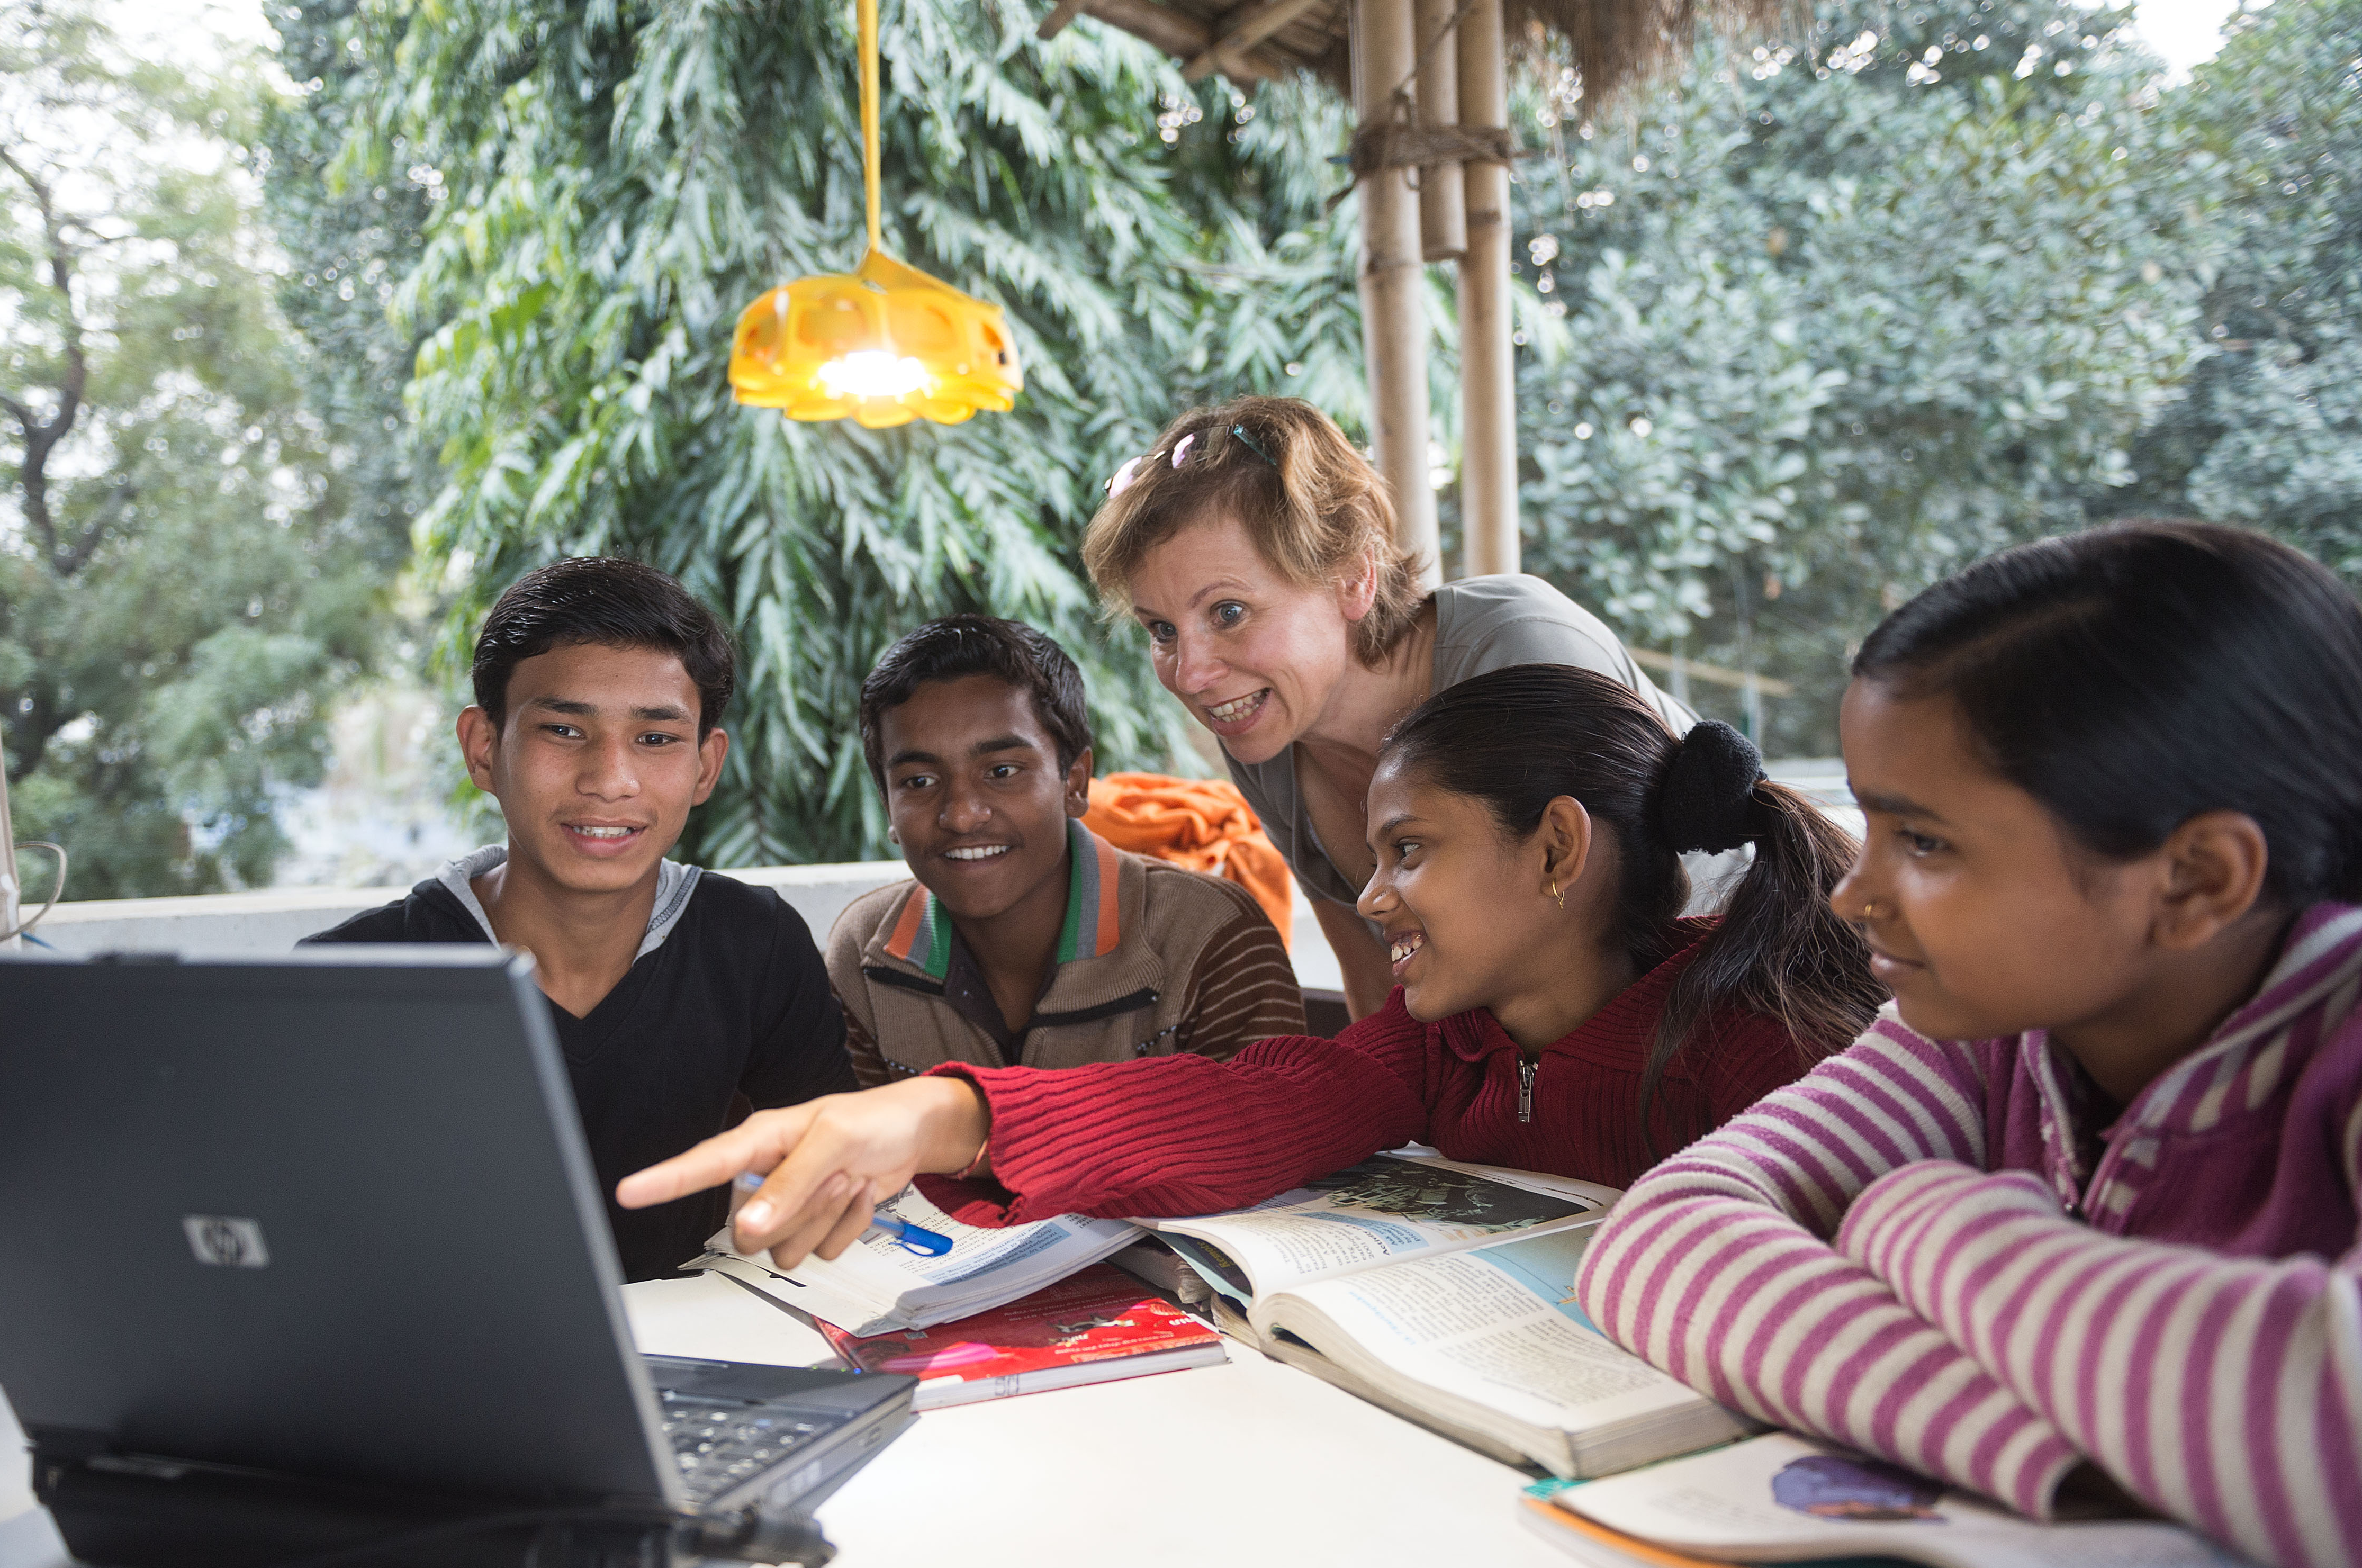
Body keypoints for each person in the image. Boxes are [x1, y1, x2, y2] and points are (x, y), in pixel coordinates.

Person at [1574, 522, 2362, 1568]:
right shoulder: (1986, 1031)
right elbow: (1662, 1236)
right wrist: (2081, 1456)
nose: (1857, 891)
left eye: (1928, 842)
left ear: (2195, 878)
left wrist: (1921, 1219)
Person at [616, 663, 1879, 1265]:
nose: (1372, 895)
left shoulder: (1768, 1047)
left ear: (1556, 848)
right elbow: (1251, 1099)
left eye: (1410, 852)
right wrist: (946, 1109)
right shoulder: (1443, 1040)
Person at [304, 556, 852, 1279]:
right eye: (564, 730)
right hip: (433, 1371)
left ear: (704, 768)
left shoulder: (752, 942)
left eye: (656, 739)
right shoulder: (349, 979)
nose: (610, 781)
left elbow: (832, 1172)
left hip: (695, 1362)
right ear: (483, 748)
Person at [1080, 396, 1702, 1022]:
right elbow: (1382, 997)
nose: (1191, 675)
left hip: (1735, 998)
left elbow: (1610, 972)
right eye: (1161, 630)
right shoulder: (1264, 727)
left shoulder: (1520, 651)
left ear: (1353, 577)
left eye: (1228, 612)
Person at [827, 615, 1303, 1085]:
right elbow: (849, 1154)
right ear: (888, 806)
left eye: (1002, 772)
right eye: (920, 781)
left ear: (1074, 783)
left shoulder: (1210, 937)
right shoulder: (867, 953)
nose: (962, 814)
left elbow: (1267, 1145)